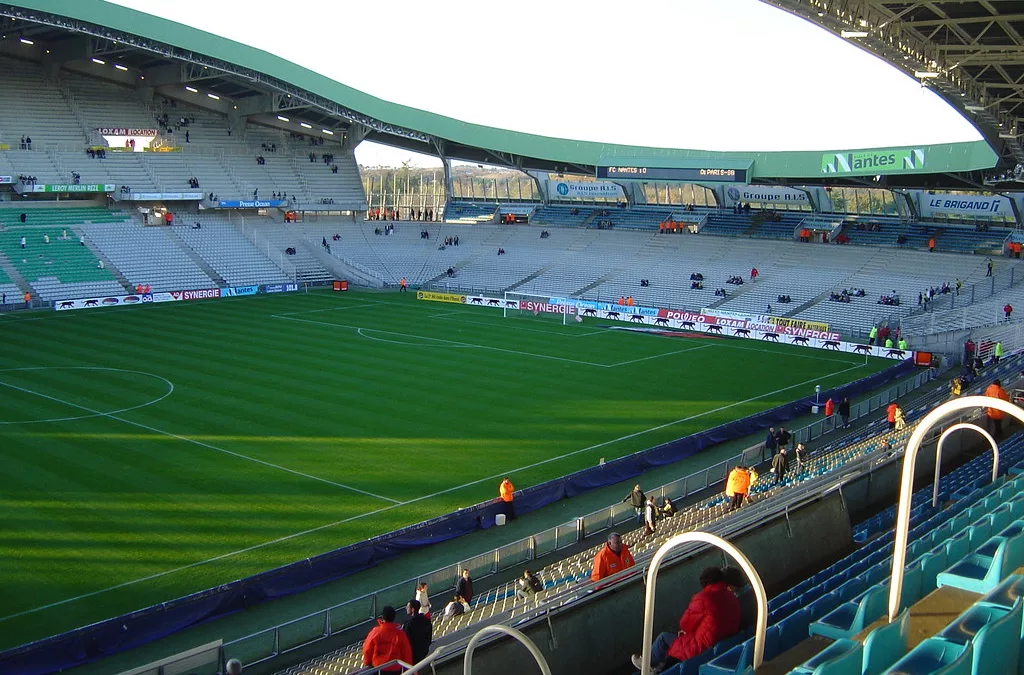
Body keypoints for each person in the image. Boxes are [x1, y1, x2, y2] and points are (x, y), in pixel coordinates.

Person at [631, 567, 741, 672]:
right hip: (722, 642)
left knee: (663, 638)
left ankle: (647, 665)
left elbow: (685, 624)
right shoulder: (731, 596)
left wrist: (686, 631)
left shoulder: (703, 597)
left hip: (701, 648)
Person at [362, 606, 412, 673]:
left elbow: (367, 649)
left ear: (383, 617)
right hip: (395, 668)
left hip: (378, 667)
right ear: (394, 618)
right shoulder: (400, 634)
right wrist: (408, 667)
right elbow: (406, 652)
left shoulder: (375, 632)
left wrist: (367, 663)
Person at [403, 599, 432, 664]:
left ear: (412, 609)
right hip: (424, 651)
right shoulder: (426, 620)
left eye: (408, 607)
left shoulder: (408, 623)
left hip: (413, 654)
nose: (406, 608)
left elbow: (406, 640)